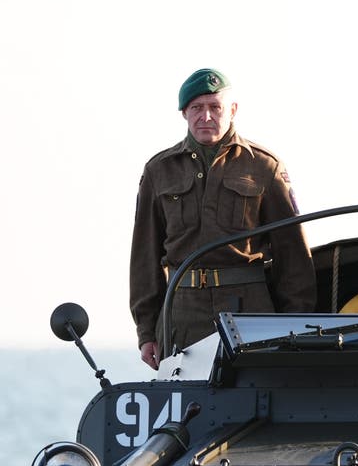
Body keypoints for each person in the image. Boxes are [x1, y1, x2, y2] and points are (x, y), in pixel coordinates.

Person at [130, 68, 316, 369]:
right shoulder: (158, 171)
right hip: (182, 312)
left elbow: (293, 256)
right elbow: (144, 258)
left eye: (215, 107)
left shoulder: (264, 167)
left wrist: (294, 324)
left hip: (250, 310)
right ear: (184, 113)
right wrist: (146, 331)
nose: (206, 116)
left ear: (232, 110)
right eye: (196, 108)